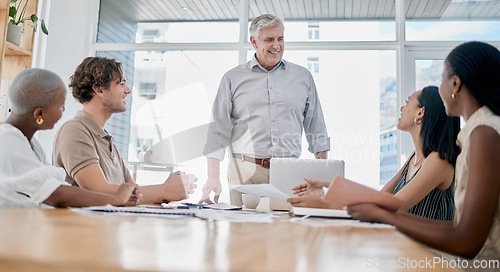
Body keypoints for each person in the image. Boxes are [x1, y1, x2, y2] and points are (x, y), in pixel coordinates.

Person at [347, 41, 500, 269]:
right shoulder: (480, 131)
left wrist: (386, 216)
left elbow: (467, 241)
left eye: (442, 79)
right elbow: (458, 227)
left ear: (455, 84)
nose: (440, 87)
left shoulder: (484, 134)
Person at [200, 14, 330, 206]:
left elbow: (316, 129)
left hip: (289, 171)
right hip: (245, 171)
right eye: (269, 39)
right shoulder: (232, 78)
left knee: (286, 230)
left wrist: (321, 177)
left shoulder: (303, 77)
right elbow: (217, 130)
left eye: (280, 39)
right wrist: (213, 176)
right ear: (254, 41)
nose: (276, 45)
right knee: (242, 232)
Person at [289, 86, 461, 220]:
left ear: (420, 113)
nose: (402, 108)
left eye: (407, 102)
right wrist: (328, 186)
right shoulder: (414, 158)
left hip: (429, 256)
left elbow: (389, 207)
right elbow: (380, 198)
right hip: (407, 244)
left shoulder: (438, 160)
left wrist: (323, 204)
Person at [52, 57, 195, 204]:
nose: (128, 91)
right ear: (99, 89)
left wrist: (169, 191)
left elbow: (134, 193)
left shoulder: (106, 139)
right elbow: (98, 191)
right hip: (84, 226)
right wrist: (165, 190)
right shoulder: (74, 130)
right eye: (121, 84)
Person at [0, 68, 139, 209]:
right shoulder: (8, 141)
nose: (64, 111)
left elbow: (58, 185)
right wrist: (115, 199)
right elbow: (55, 194)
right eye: (61, 107)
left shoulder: (31, 145)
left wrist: (114, 199)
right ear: (39, 114)